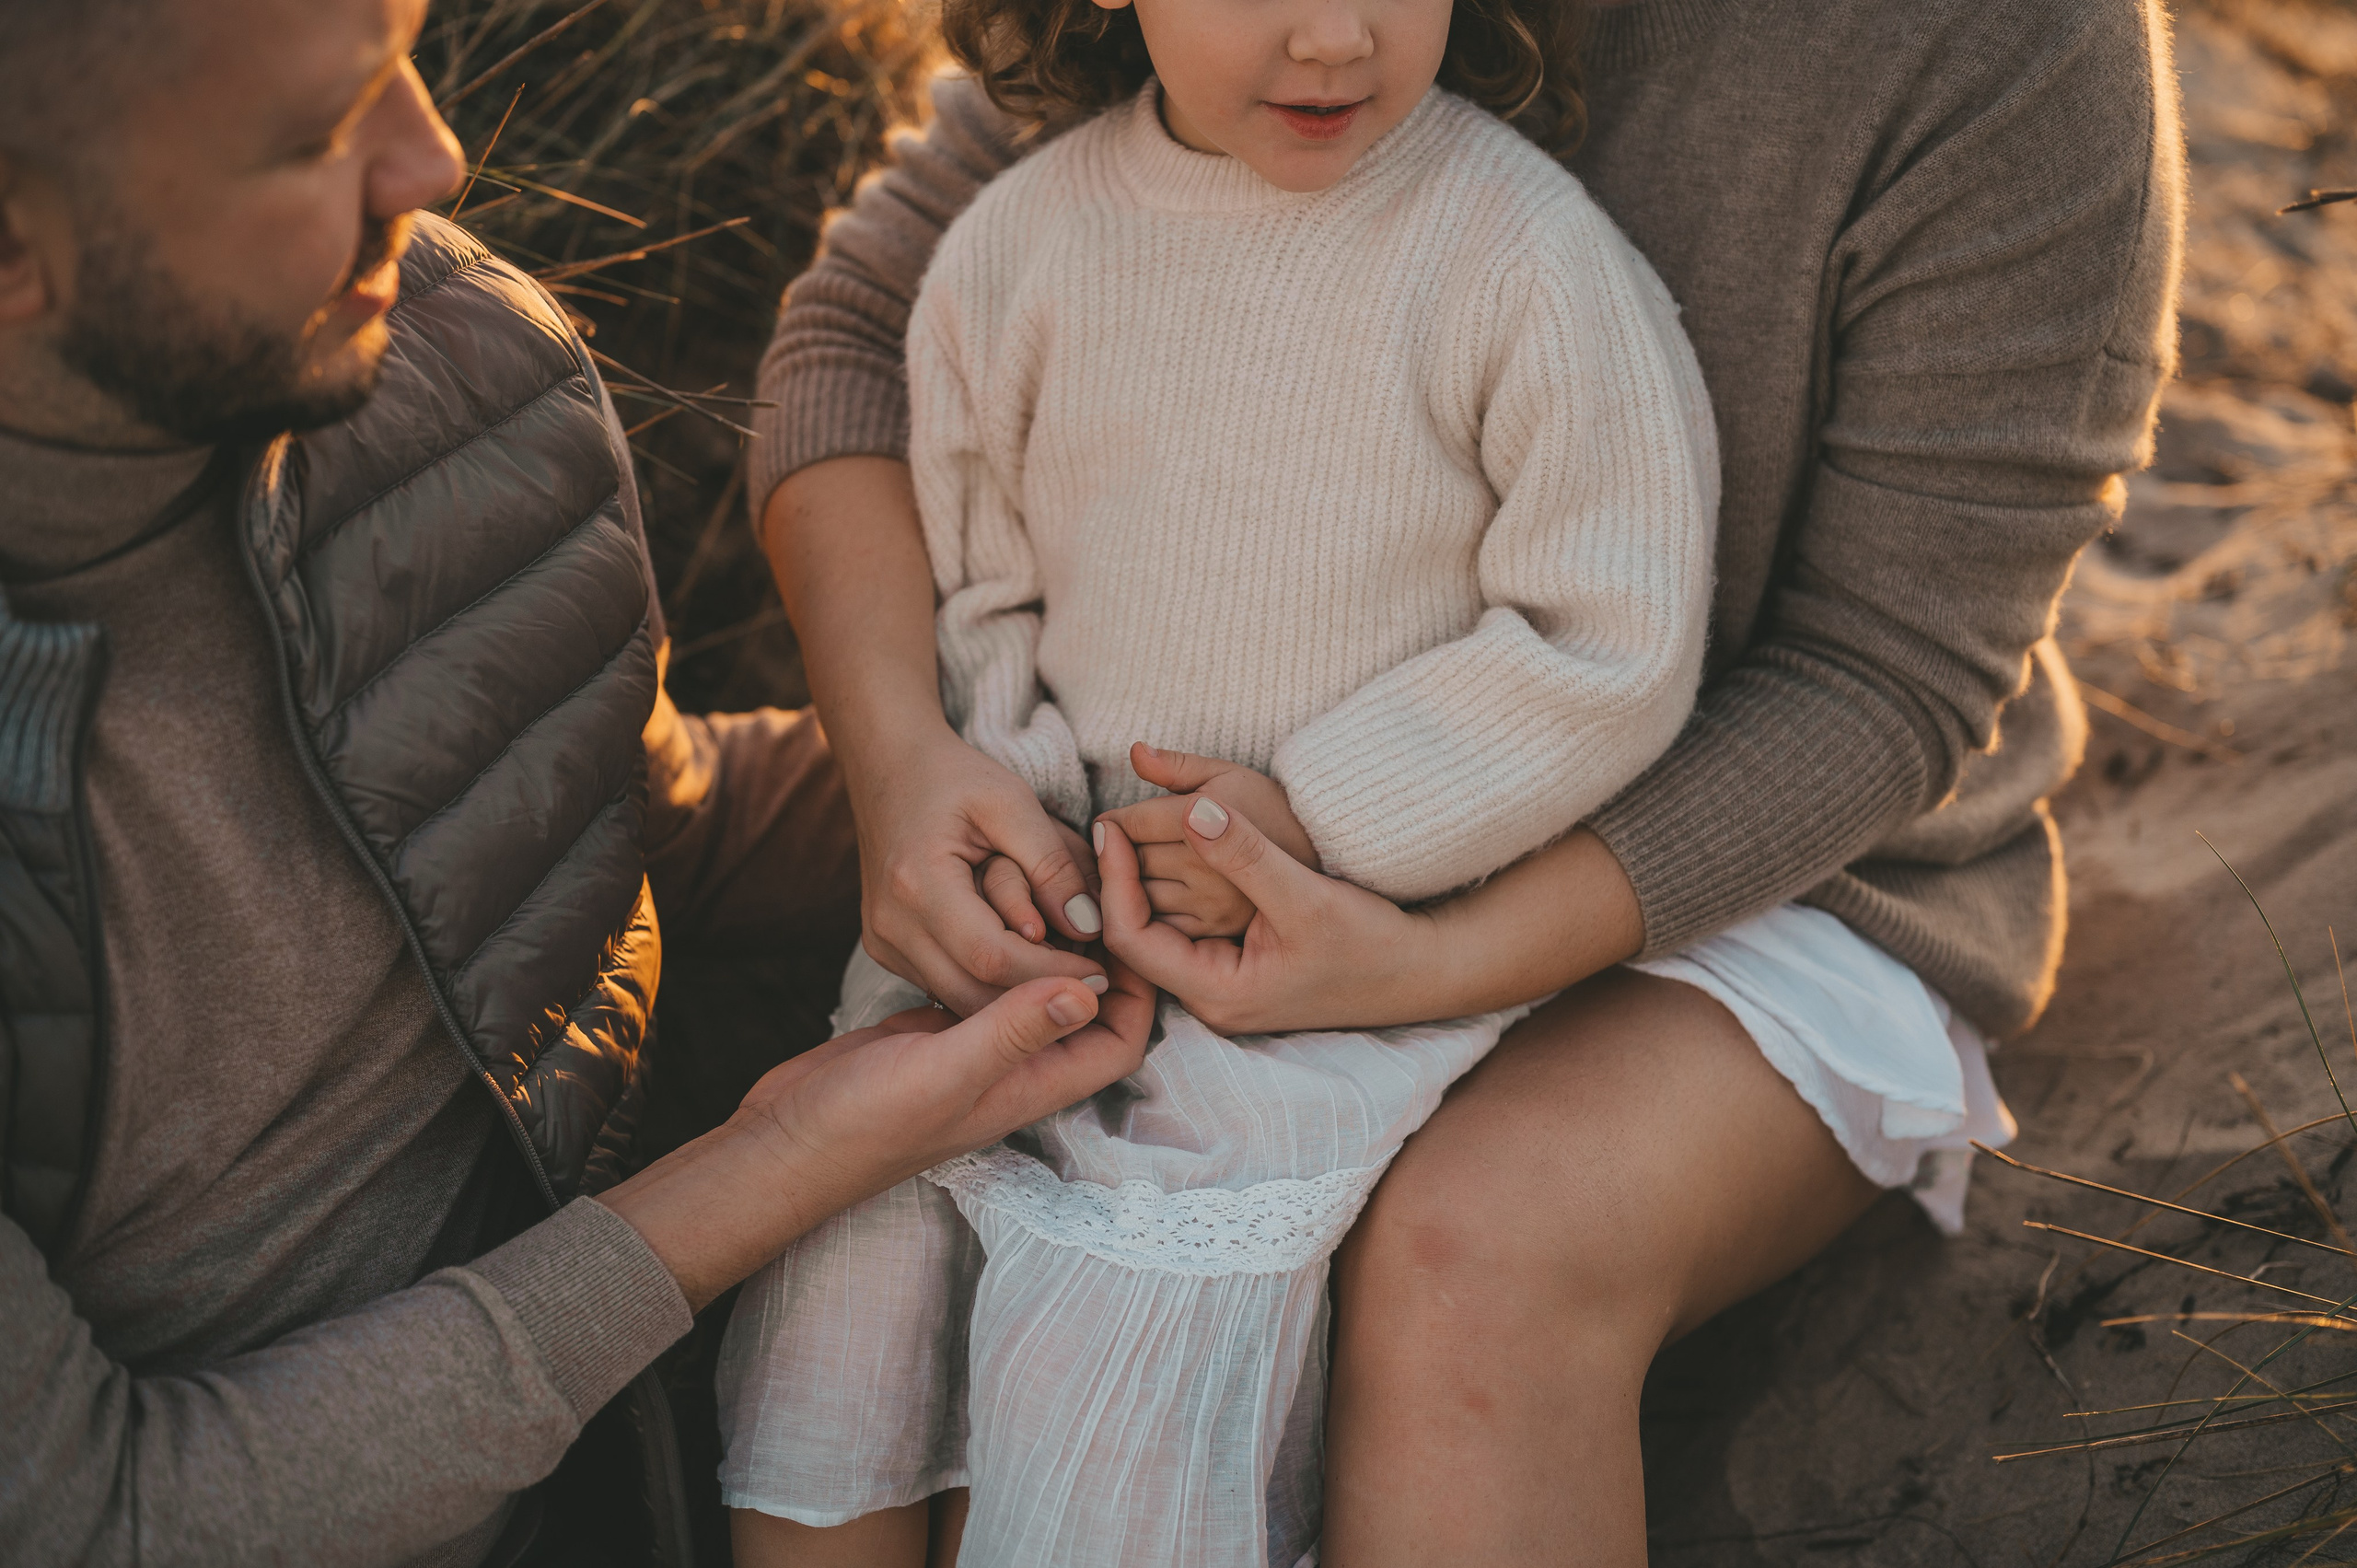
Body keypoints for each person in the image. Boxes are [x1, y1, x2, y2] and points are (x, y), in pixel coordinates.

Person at [753, 0, 2187, 1560]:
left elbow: (1882, 678)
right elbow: (857, 344)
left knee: (1471, 1256)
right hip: (1191, 843)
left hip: (1771, 855)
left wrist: (1427, 947)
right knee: (912, 1207)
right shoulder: (1160, 112)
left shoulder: (2016, 45)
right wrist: (907, 753)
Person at [0, 2, 1155, 1565]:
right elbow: (96, 1516)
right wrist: (772, 1170)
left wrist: (1076, 790)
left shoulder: (444, 360)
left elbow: (621, 824)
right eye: (314, 136)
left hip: (634, 1468)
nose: (436, 157)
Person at [717, 0, 1720, 1562]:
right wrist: (1024, 819)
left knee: (1113, 1314)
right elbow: (984, 590)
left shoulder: (1519, 253)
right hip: (1047, 921)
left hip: (1320, 954)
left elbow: (1611, 634)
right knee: (855, 1253)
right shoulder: (1022, 240)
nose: (1333, 38)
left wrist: (1323, 814)